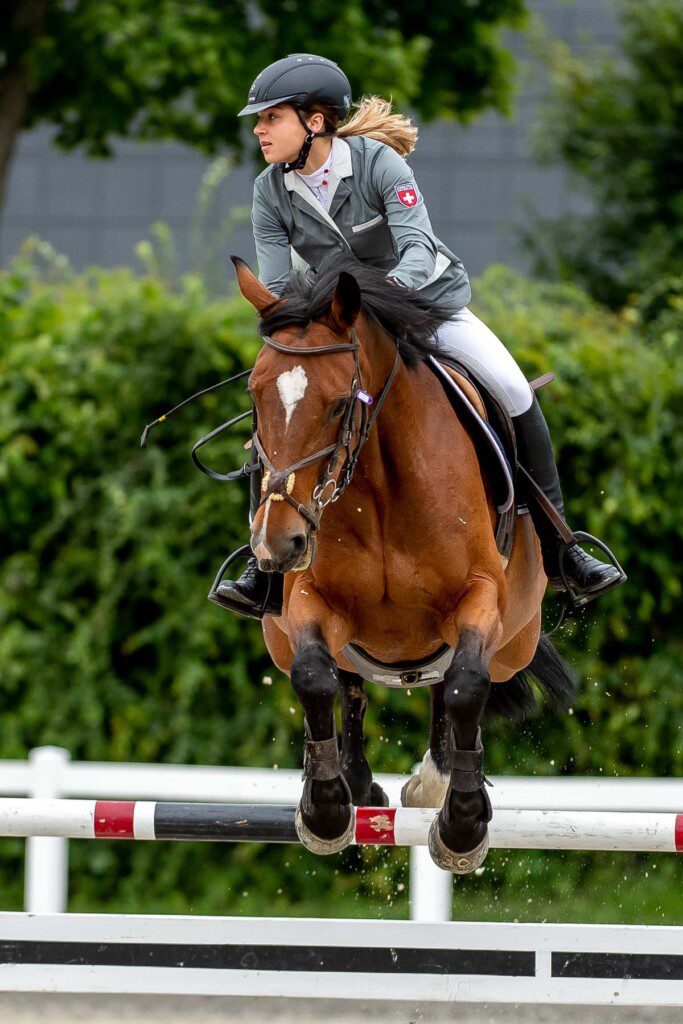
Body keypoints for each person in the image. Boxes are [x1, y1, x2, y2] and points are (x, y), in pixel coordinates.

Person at [212, 53, 624, 620]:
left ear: (314, 121)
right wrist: (302, 330)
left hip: (428, 308)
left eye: (270, 117)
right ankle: (262, 564)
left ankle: (563, 548)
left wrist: (366, 308)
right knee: (284, 406)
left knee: (511, 388)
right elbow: (281, 285)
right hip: (338, 327)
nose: (258, 129)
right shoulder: (269, 190)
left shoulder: (378, 164)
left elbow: (416, 250)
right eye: (258, 120)